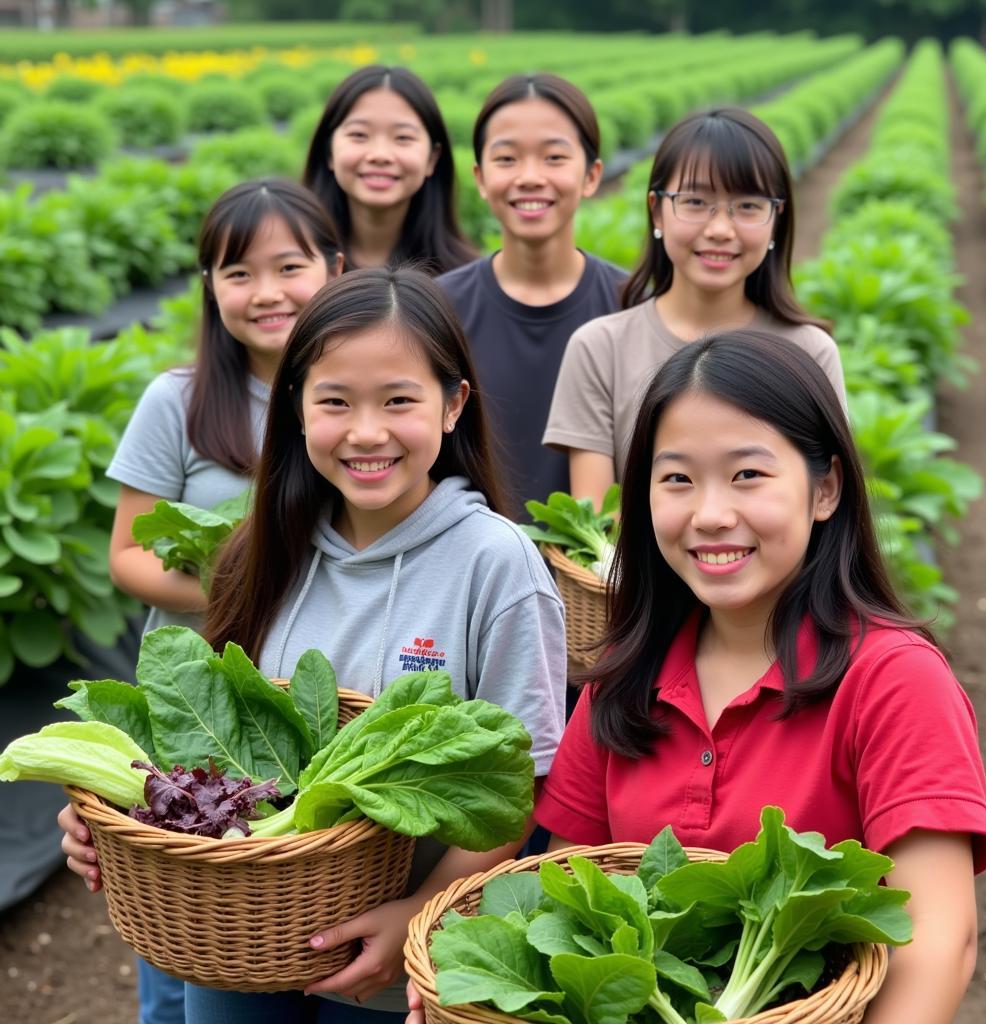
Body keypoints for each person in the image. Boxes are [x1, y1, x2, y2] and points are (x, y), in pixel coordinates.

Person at [62, 268, 567, 1024]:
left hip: (392, 960)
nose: (367, 432)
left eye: (400, 400)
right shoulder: (259, 550)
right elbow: (194, 745)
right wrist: (115, 821)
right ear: (296, 408)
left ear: (454, 404)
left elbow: (518, 783)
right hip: (236, 940)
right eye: (335, 401)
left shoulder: (497, 565)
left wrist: (417, 916)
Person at [533, 331, 986, 1024]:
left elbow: (939, 942)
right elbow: (563, 903)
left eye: (747, 474)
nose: (710, 513)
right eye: (678, 479)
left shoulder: (894, 679)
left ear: (825, 489)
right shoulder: (622, 677)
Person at [57, 177, 342, 1024]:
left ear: (333, 267)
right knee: (181, 927)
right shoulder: (175, 401)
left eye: (289, 266)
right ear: (210, 288)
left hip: (306, 706)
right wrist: (241, 586)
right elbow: (129, 557)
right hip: (192, 704)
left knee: (299, 905)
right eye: (237, 273)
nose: (266, 293)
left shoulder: (352, 393)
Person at [543, 108, 847, 508]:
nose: (720, 229)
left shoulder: (810, 352)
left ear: (777, 217)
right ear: (656, 210)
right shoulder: (601, 349)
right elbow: (598, 527)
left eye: (748, 206)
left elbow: (823, 507)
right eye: (696, 201)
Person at [437, 73, 626, 518]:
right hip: (471, 575)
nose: (530, 177)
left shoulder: (635, 304)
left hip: (596, 576)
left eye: (554, 157)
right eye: (507, 159)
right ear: (481, 179)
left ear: (592, 175)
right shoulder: (438, 310)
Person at [303, 65, 475, 275]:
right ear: (328, 151)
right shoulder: (298, 273)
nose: (380, 155)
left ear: (433, 158)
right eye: (359, 135)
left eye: (403, 137)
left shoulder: (463, 283)